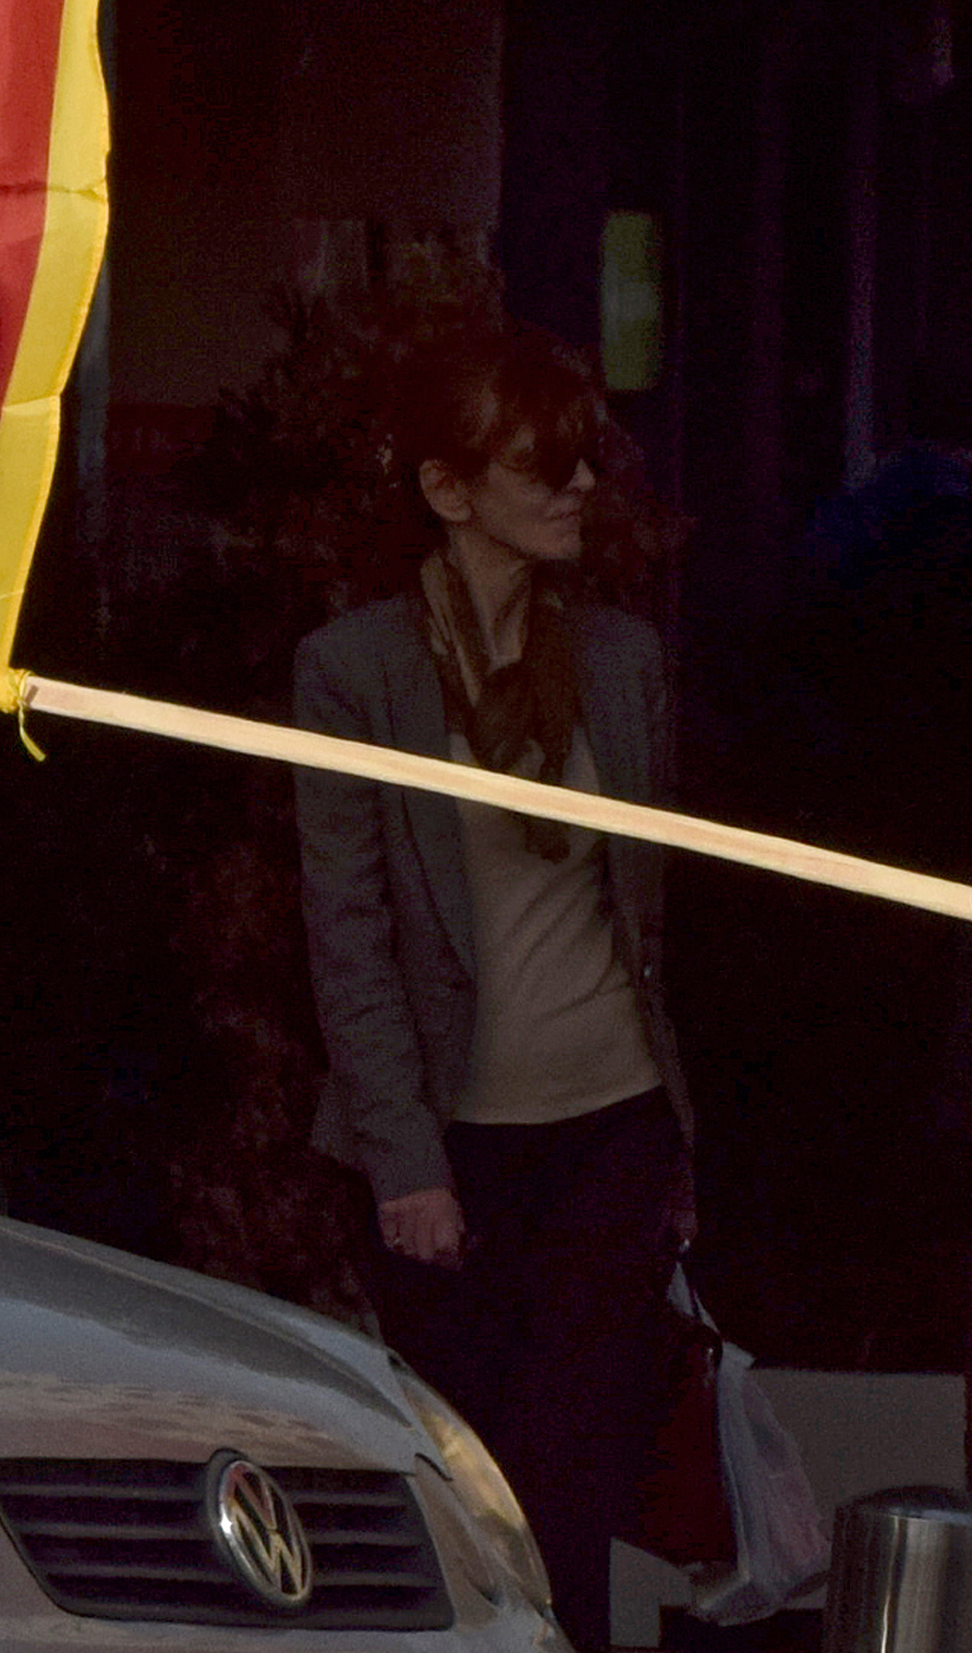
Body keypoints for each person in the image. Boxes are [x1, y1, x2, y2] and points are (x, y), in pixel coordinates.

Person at [293, 324, 691, 1643]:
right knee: (462, 1488)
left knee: (573, 1479)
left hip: (612, 1126)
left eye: (587, 463)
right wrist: (407, 1164)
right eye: (545, 467)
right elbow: (346, 934)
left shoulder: (622, 662)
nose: (580, 489)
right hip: (451, 1145)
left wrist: (674, 1147)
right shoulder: (357, 670)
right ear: (448, 490)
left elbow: (646, 923)